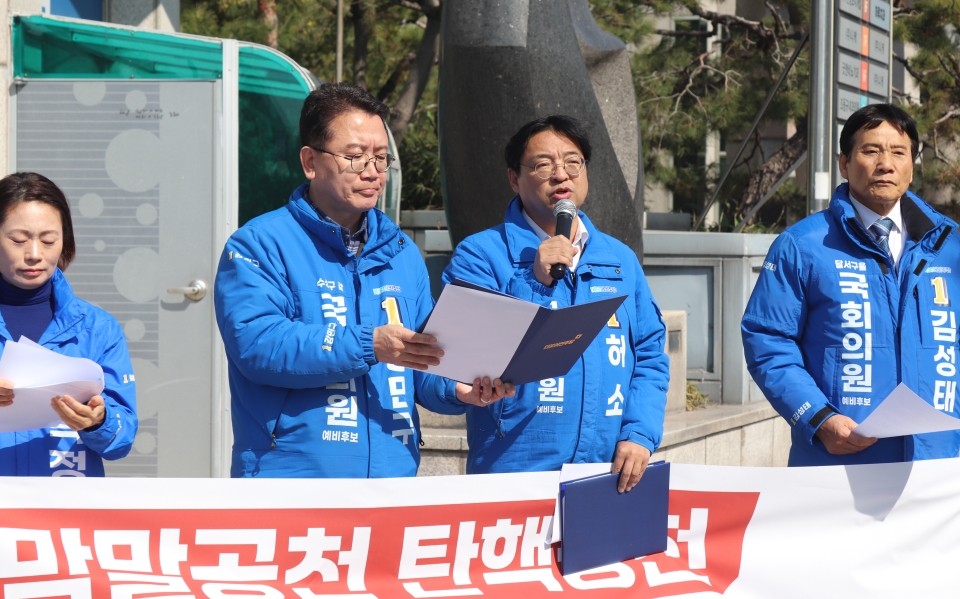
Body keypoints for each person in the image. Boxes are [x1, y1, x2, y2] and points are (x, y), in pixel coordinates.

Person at [215, 83, 513, 478]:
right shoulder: (259, 244)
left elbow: (423, 358)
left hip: (393, 478)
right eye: (355, 157)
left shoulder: (402, 252)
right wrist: (368, 344)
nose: (372, 171)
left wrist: (457, 389)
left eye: (381, 158)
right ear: (310, 161)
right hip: (294, 480)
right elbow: (257, 345)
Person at [442, 115, 670, 492]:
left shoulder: (620, 259)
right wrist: (533, 281)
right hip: (513, 473)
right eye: (543, 164)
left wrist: (639, 433)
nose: (561, 174)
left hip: (607, 472)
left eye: (573, 162)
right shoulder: (481, 255)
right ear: (514, 178)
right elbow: (447, 364)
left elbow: (648, 354)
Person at [742, 103, 960, 466]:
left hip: (938, 467)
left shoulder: (949, 246)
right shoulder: (804, 245)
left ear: (912, 166)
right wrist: (818, 417)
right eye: (871, 150)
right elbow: (768, 340)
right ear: (844, 163)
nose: (885, 163)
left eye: (898, 152)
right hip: (840, 463)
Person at [0, 172, 137, 476]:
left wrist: (97, 422)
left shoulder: (98, 329)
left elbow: (122, 439)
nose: (34, 254)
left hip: (61, 511)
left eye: (49, 240)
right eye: (18, 240)